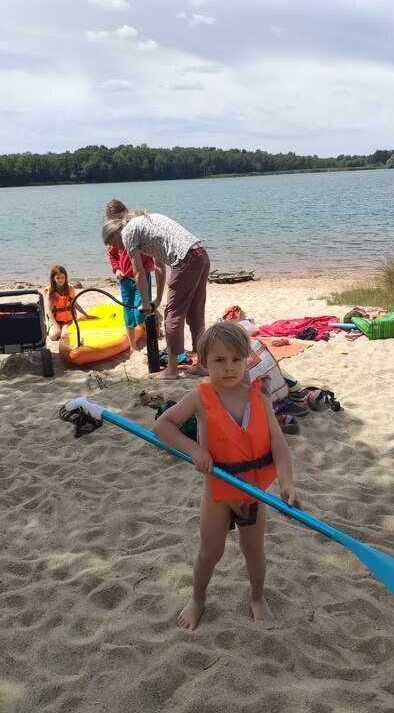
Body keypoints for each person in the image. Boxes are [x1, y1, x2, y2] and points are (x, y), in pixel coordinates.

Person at [153, 322, 302, 630]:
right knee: (210, 552)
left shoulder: (258, 398)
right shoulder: (199, 398)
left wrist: (287, 484)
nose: (229, 367)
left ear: (247, 360)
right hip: (218, 493)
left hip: (253, 494)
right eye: (219, 360)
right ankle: (197, 599)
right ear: (204, 362)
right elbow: (162, 427)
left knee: (254, 551)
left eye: (236, 359)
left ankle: (257, 597)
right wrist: (195, 450)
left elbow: (279, 446)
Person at [102, 207, 210, 379]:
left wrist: (145, 303)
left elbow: (138, 273)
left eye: (115, 244)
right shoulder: (145, 223)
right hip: (201, 255)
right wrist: (158, 298)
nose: (118, 248)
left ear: (116, 232)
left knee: (172, 317)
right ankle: (203, 365)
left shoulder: (128, 232)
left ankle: (172, 370)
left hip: (185, 260)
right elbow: (159, 265)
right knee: (195, 313)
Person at [105, 199, 156, 356]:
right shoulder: (116, 237)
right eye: (114, 220)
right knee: (128, 312)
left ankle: (152, 331)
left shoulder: (136, 231)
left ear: (126, 213)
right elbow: (112, 254)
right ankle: (133, 345)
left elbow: (151, 250)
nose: (119, 223)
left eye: (120, 218)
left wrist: (151, 264)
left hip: (142, 278)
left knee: (141, 311)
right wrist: (117, 269)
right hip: (125, 281)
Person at [45, 265, 96, 340]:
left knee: (63, 335)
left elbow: (75, 304)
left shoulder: (70, 289)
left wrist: (86, 315)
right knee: (53, 336)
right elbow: (49, 311)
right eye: (58, 278)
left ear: (66, 277)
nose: (60, 280)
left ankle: (64, 328)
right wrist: (56, 327)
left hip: (67, 320)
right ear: (53, 278)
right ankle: (56, 328)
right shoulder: (51, 291)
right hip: (56, 319)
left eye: (62, 277)